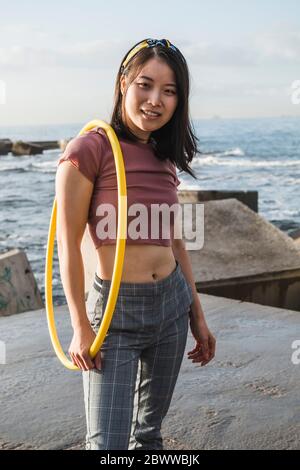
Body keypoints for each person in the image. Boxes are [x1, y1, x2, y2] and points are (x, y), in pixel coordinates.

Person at [55, 38, 216, 451]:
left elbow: (175, 242)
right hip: (115, 314)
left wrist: (197, 313)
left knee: (148, 436)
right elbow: (68, 247)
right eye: (145, 85)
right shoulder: (88, 150)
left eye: (169, 91)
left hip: (170, 306)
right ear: (124, 82)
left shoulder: (165, 156)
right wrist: (79, 327)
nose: (155, 100)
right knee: (105, 443)